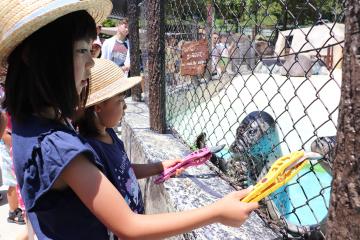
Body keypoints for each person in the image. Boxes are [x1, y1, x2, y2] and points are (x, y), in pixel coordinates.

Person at [1, 1, 258, 239]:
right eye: (82, 50)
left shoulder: (30, 126)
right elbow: (129, 226)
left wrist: (160, 166)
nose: (91, 62)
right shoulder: (57, 147)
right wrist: (217, 212)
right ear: (36, 56)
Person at [76, 58, 185, 214]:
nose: (125, 105)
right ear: (98, 107)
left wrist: (159, 167)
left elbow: (124, 171)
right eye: (120, 100)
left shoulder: (109, 133)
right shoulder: (91, 151)